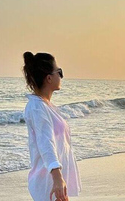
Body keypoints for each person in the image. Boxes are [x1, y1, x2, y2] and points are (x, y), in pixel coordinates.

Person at [22, 52, 82, 201]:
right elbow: (45, 142)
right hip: (48, 182)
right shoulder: (37, 107)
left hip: (54, 180)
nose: (61, 76)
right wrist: (57, 178)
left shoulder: (46, 106)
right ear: (49, 78)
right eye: (59, 72)